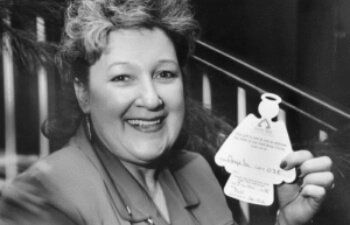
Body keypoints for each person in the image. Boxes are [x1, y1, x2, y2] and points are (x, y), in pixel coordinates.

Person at [0, 0, 334, 224]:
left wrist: (285, 221)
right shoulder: (40, 196)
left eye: (164, 74)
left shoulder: (197, 171)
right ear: (83, 93)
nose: (151, 98)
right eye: (122, 77)